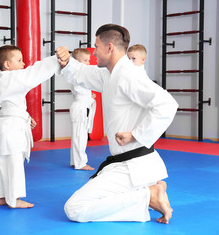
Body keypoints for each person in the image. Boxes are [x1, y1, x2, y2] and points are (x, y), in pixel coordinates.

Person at [57, 24, 178, 224]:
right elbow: (83, 74)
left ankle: (148, 195)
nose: (94, 52)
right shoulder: (111, 73)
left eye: (96, 47)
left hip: (133, 165)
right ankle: (149, 190)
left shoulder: (129, 75)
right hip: (125, 163)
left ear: (110, 47)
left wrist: (136, 134)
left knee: (74, 209)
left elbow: (167, 104)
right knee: (91, 199)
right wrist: (67, 61)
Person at [0, 45, 65, 208]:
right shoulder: (14, 78)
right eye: (19, 60)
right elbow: (36, 72)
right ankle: (14, 199)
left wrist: (25, 117)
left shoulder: (1, 81)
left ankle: (3, 196)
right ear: (7, 65)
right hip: (11, 128)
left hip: (4, 125)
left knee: (3, 163)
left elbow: (5, 105)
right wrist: (56, 59)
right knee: (14, 164)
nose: (23, 63)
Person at [69, 48, 96, 171]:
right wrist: (88, 98)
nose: (88, 63)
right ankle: (81, 163)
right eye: (85, 60)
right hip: (80, 108)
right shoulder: (77, 74)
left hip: (81, 106)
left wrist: (89, 97)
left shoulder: (78, 74)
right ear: (76, 62)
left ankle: (75, 161)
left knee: (78, 136)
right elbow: (80, 92)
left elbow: (81, 92)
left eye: (88, 60)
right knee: (80, 137)